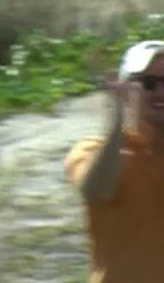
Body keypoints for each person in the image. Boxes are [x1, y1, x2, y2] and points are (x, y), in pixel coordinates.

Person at [65, 39, 164, 283]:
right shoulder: (92, 149)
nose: (160, 92)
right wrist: (117, 119)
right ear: (126, 90)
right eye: (149, 83)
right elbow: (98, 190)